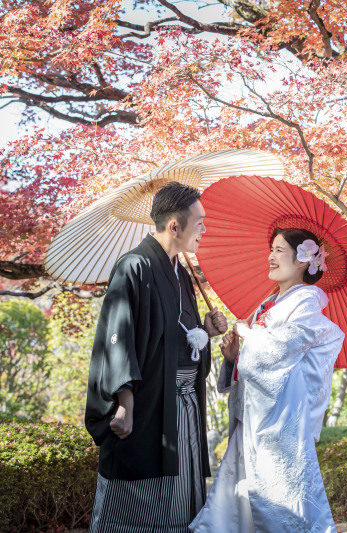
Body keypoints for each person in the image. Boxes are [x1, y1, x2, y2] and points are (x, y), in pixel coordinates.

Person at [85, 181, 228, 533]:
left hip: (183, 405)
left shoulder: (181, 273)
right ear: (175, 226)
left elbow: (177, 339)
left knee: (182, 498)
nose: (204, 230)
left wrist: (205, 332)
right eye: (200, 222)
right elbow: (117, 338)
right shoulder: (133, 267)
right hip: (147, 404)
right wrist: (125, 401)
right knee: (138, 501)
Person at [190, 228, 345, 533]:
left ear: (303, 260)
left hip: (280, 425)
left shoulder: (306, 303)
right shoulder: (268, 304)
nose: (270, 257)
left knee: (277, 506)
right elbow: (258, 360)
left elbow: (281, 350)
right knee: (241, 506)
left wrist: (248, 333)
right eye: (271, 249)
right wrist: (235, 356)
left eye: (279, 250)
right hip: (254, 420)